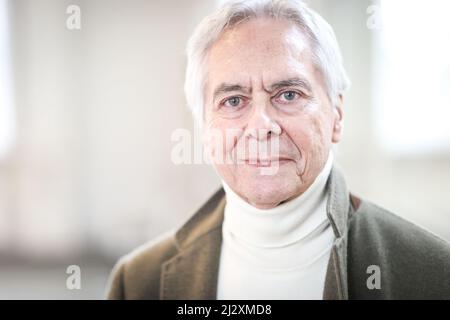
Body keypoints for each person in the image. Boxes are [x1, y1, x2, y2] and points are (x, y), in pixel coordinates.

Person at [106, 0, 450, 299]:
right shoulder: (137, 283)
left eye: (288, 95)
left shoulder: (433, 275)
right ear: (204, 129)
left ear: (337, 115)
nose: (261, 126)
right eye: (234, 100)